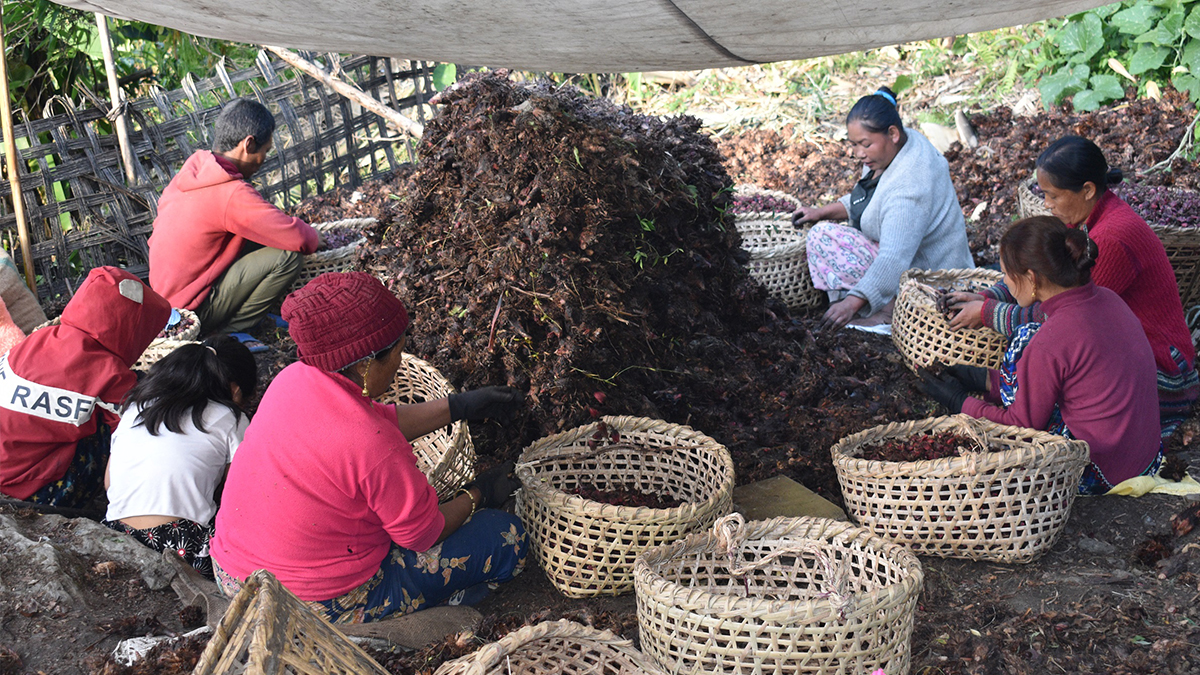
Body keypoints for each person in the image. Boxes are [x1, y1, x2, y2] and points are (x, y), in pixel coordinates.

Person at [210, 272, 528, 624]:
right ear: (365, 364)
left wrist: (459, 407)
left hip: (235, 575)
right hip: (304, 605)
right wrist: (479, 493)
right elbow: (424, 535)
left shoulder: (294, 379)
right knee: (505, 536)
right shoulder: (373, 445)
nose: (399, 364)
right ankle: (436, 604)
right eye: (397, 353)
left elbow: (377, 420)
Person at [947, 136, 1197, 438]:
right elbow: (1038, 267)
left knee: (1038, 356)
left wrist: (987, 313)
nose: (1047, 205)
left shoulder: (1112, 239)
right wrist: (989, 295)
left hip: (1161, 372)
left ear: (1088, 190)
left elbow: (1061, 320)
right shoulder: (1085, 220)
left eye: (1053, 196)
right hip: (1121, 350)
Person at [920, 217, 1162, 495]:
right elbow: (1069, 379)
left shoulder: (1049, 339)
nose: (1005, 283)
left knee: (1025, 339)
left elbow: (1020, 427)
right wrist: (981, 379)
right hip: (1145, 459)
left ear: (1032, 278)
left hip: (1100, 470)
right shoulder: (1109, 298)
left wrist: (960, 403)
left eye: (1007, 275)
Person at [792, 86, 974, 330]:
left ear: (892, 133)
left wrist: (851, 304)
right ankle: (870, 304)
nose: (858, 153)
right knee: (821, 234)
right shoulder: (896, 147)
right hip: (909, 256)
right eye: (854, 144)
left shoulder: (910, 187)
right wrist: (819, 212)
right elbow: (871, 199)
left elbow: (894, 258)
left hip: (934, 279)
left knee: (825, 241)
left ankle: (890, 313)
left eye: (865, 144)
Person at [0, 267, 171, 507]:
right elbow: (133, 434)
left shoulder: (41, 337)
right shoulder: (108, 371)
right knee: (117, 427)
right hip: (25, 488)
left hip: (8, 461)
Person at [148, 97, 320, 335]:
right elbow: (302, 239)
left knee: (258, 238)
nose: (264, 160)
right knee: (288, 256)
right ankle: (231, 332)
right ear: (248, 144)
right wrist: (317, 236)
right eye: (265, 151)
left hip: (165, 306)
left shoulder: (194, 170)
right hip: (191, 313)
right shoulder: (230, 193)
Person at [102, 335, 257, 578]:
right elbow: (242, 491)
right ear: (235, 391)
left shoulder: (136, 408)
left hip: (115, 532)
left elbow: (109, 483)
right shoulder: (230, 417)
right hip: (183, 544)